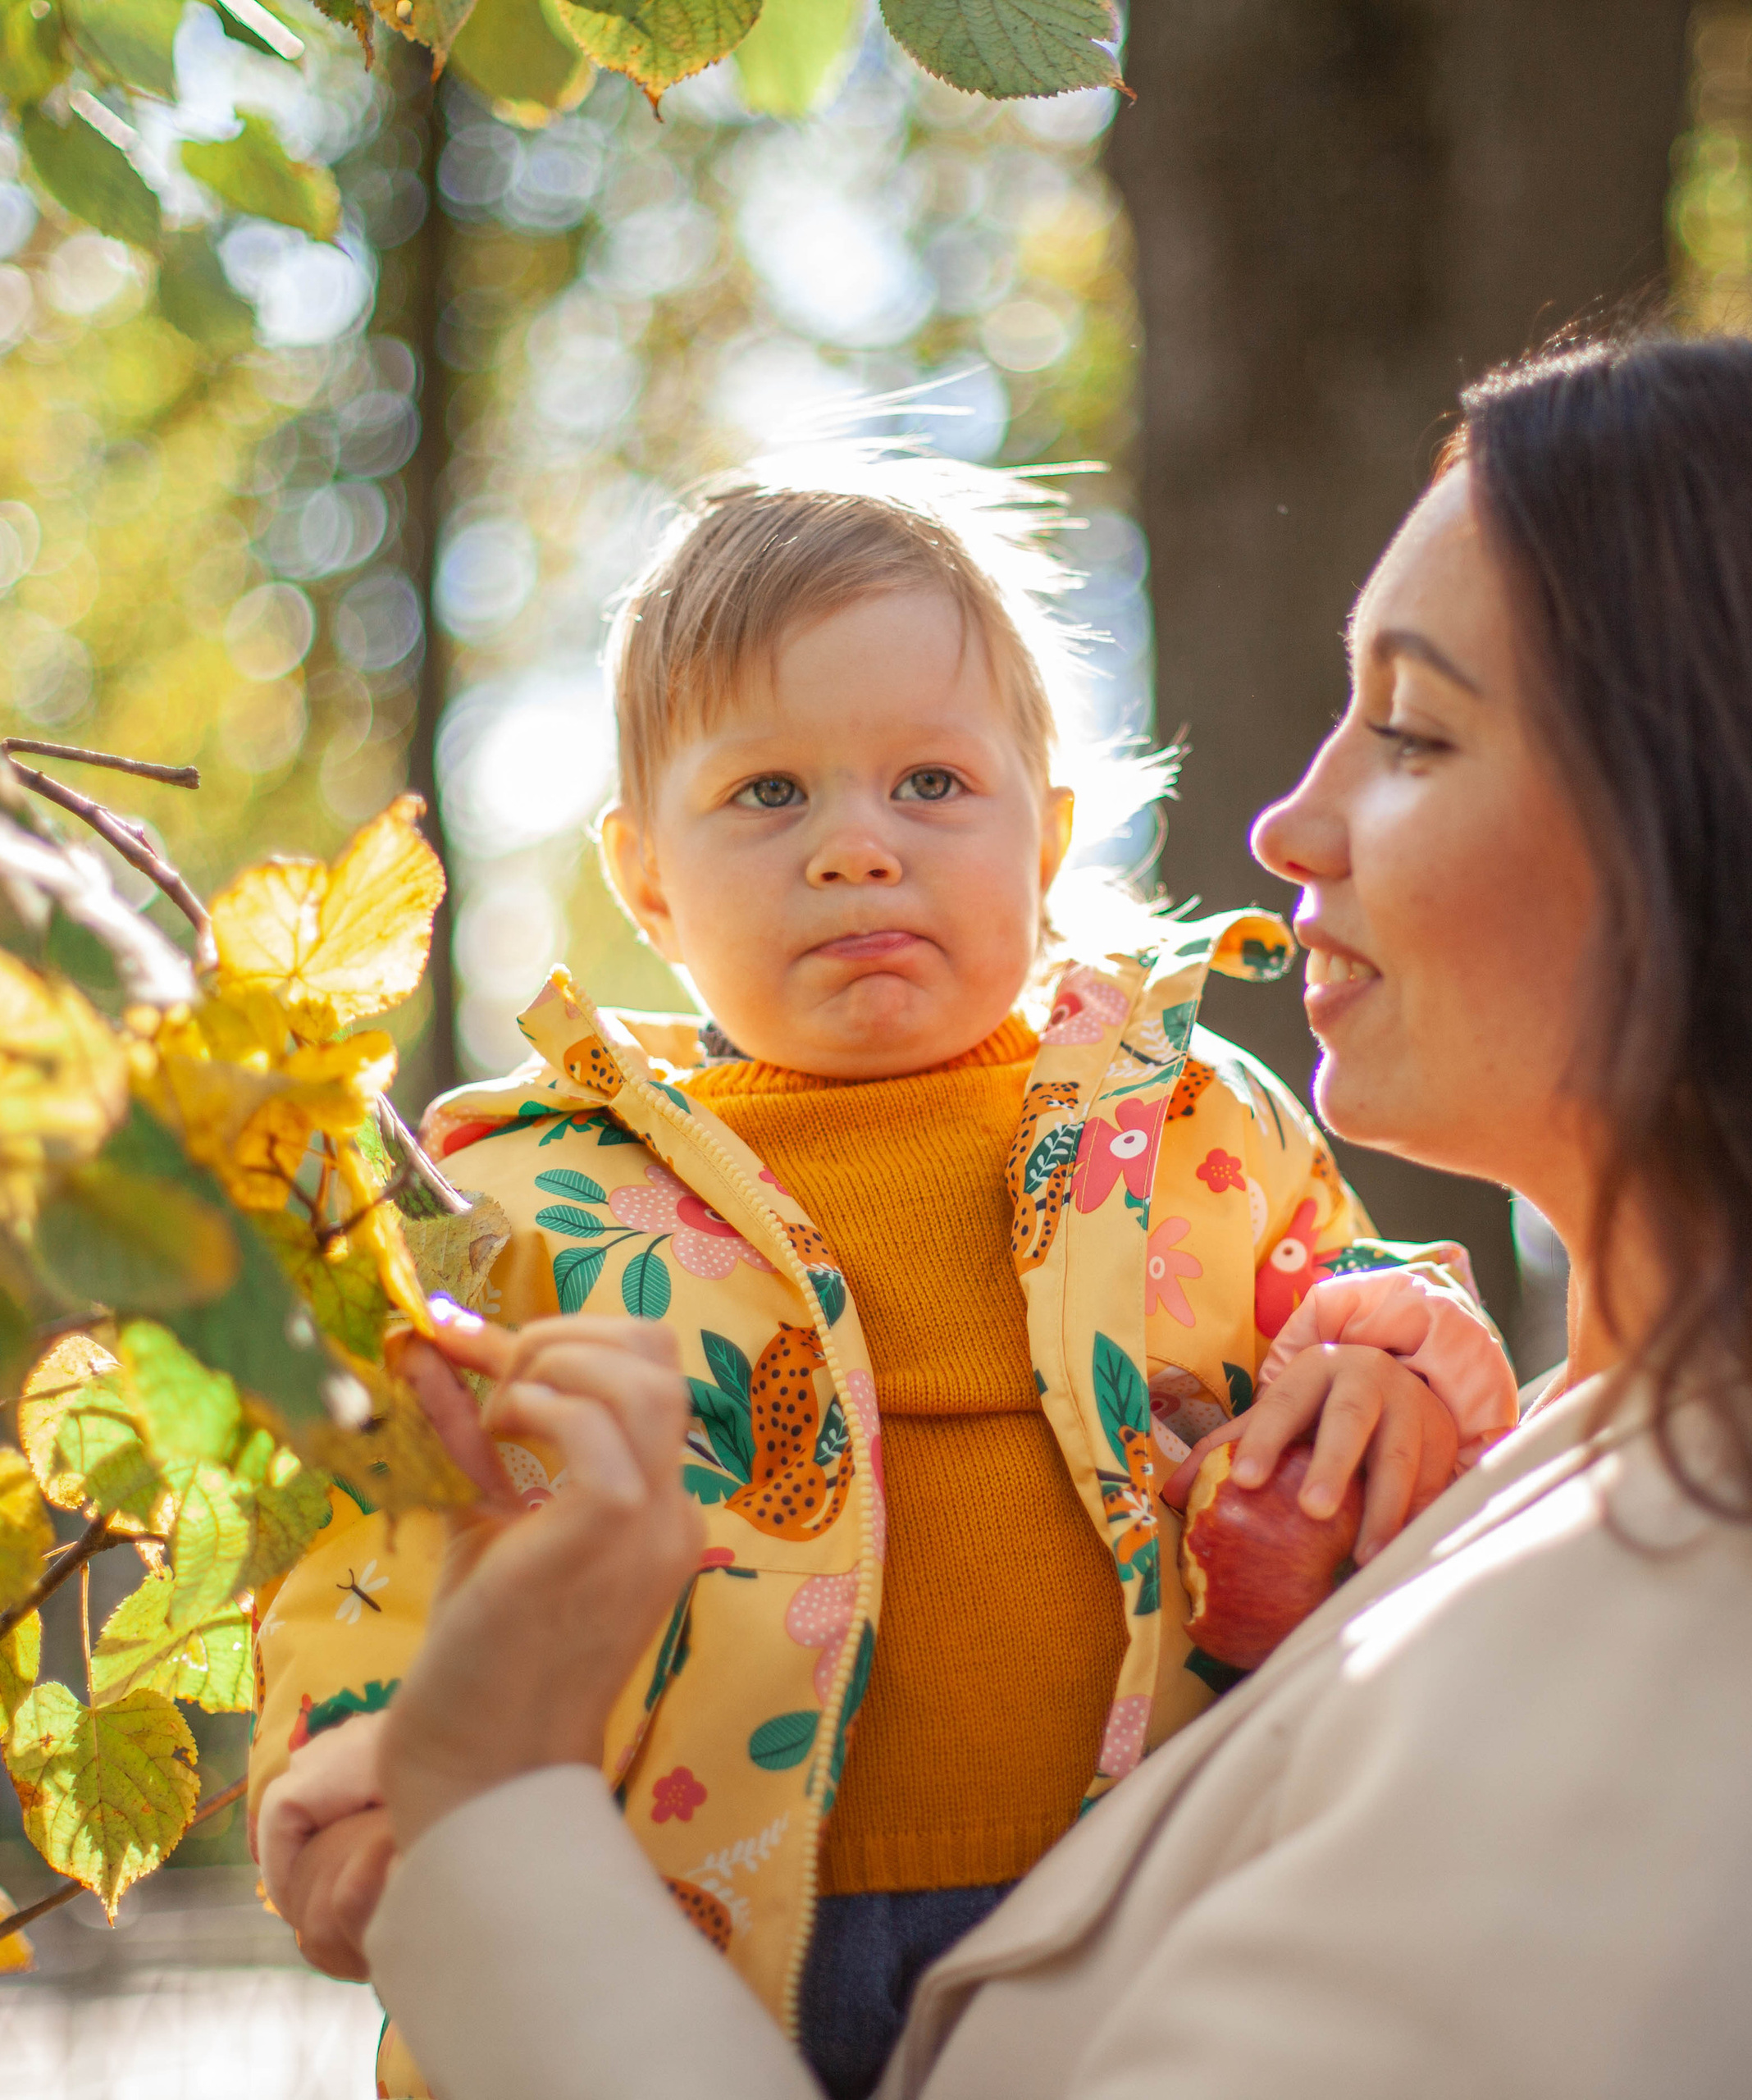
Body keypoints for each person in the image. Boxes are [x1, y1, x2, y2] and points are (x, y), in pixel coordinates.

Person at [345, 330, 1752, 2099]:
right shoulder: (1591, 1468)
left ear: (1738, 834)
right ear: (645, 868)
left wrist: (492, 1818)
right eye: (770, 792)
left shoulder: (1719, 1633)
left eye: (1410, 728)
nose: (1285, 816)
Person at [248, 454, 1517, 2100]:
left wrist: (1391, 1372)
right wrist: (362, 1782)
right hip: (691, 1935)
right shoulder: (526, 1200)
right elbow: (392, 1523)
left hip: (1148, 1903)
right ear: (645, 877)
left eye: (930, 783)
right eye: (767, 794)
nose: (855, 847)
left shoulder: (1192, 1121)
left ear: (1045, 833)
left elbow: (1371, 1321)